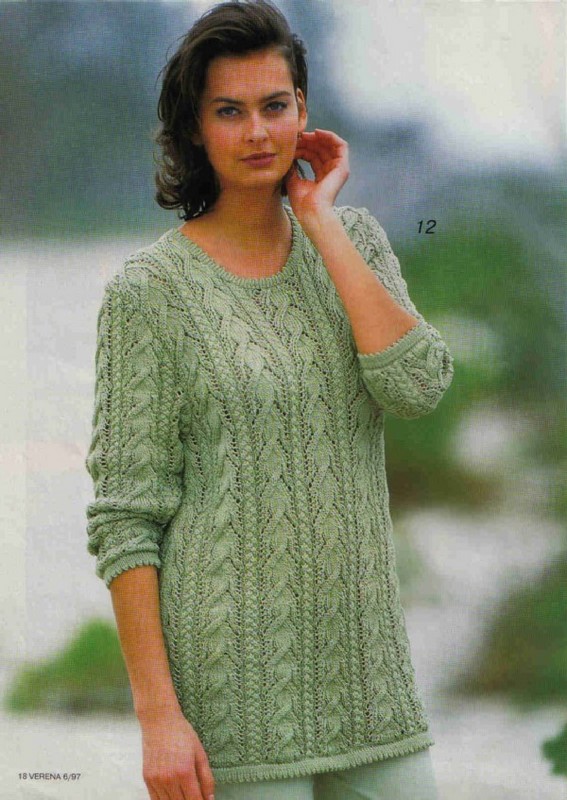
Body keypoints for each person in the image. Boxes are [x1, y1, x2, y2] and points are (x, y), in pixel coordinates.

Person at [84, 2, 454, 799]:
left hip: (368, 681)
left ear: (303, 112)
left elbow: (417, 387)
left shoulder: (354, 241)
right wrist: (158, 718)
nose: (256, 132)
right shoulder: (148, 293)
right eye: (229, 111)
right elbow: (126, 517)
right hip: (230, 701)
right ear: (194, 128)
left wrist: (320, 222)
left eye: (274, 105)